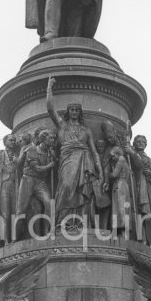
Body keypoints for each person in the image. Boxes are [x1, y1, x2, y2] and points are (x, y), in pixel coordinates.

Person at [46, 76, 102, 229]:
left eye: (77, 110)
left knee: (84, 191)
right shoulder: (62, 126)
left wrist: (100, 170)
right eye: (72, 110)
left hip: (85, 160)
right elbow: (50, 109)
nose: (74, 112)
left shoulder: (86, 130)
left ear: (80, 112)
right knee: (66, 186)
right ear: (68, 111)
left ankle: (82, 222)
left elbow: (94, 151)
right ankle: (62, 221)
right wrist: (49, 87)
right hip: (68, 160)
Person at [14, 129, 55, 240]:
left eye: (53, 138)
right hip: (28, 180)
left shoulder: (50, 152)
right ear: (43, 139)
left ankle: (47, 231)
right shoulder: (32, 150)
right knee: (21, 210)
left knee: (49, 204)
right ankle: (15, 237)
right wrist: (50, 165)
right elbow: (37, 168)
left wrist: (54, 158)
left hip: (40, 182)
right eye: (50, 138)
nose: (53, 140)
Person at [128, 134, 151, 246]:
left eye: (143, 142)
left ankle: (145, 240)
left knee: (146, 215)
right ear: (134, 143)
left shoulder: (149, 160)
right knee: (136, 214)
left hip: (146, 190)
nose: (140, 143)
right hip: (135, 187)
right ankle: (139, 238)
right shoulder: (130, 156)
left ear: (146, 144)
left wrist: (150, 174)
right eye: (138, 141)